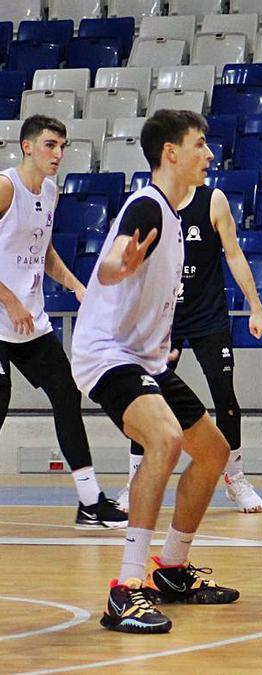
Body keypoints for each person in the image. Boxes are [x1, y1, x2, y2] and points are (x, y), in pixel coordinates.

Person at [73, 110, 238, 634]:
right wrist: (116, 267)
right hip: (107, 353)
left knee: (214, 452)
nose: (208, 154)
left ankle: (170, 570)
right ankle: (125, 589)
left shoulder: (177, 211)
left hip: (143, 357)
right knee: (165, 440)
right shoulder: (147, 205)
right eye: (200, 144)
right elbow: (114, 260)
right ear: (171, 152)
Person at [0, 114, 126, 529]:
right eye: (51, 145)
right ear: (27, 146)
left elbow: (43, 250)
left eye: (62, 146)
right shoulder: (5, 187)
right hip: (3, 317)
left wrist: (76, 285)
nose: (58, 153)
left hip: (29, 323)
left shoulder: (50, 192)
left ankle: (90, 502)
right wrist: (10, 301)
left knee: (67, 392)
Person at [121, 178, 262, 514]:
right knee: (144, 398)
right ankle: (134, 481)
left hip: (208, 317)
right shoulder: (149, 204)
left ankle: (236, 478)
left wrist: (255, 306)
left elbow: (233, 254)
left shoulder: (212, 200)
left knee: (225, 396)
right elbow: (133, 266)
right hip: (163, 318)